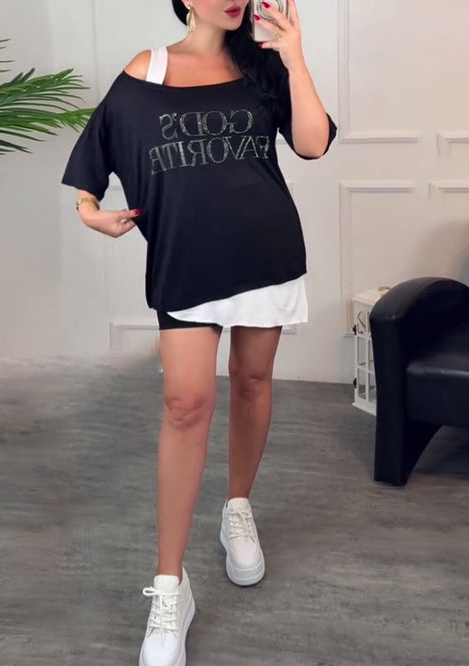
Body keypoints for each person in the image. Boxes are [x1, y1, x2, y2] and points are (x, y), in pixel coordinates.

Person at [62, 0, 337, 663]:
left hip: (265, 250)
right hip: (185, 259)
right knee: (185, 405)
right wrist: (88, 210)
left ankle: (237, 507)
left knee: (251, 382)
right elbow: (95, 156)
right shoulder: (147, 70)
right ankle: (170, 586)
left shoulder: (263, 66)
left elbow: (311, 143)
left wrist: (294, 57)